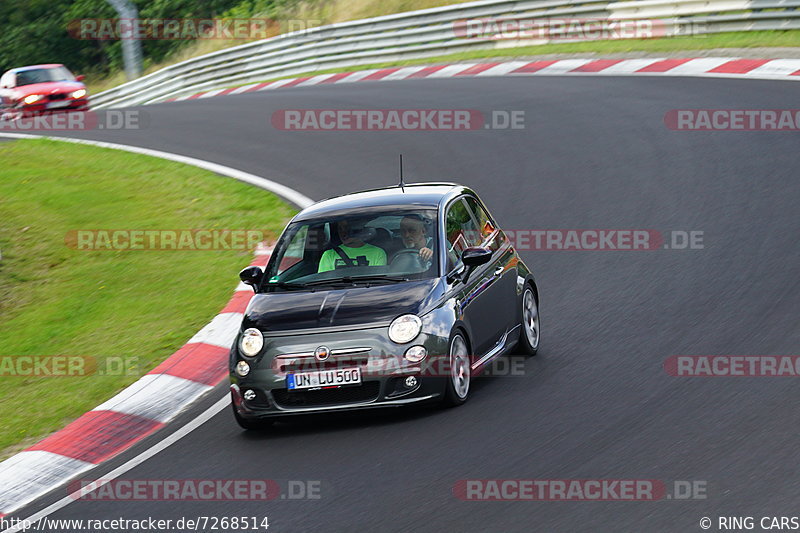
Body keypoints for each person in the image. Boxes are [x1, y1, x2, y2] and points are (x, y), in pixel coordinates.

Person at [318, 219, 387, 272]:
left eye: (347, 228)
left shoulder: (377, 253)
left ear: (358, 230)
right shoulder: (329, 254)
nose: (343, 232)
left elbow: (377, 282)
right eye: (340, 229)